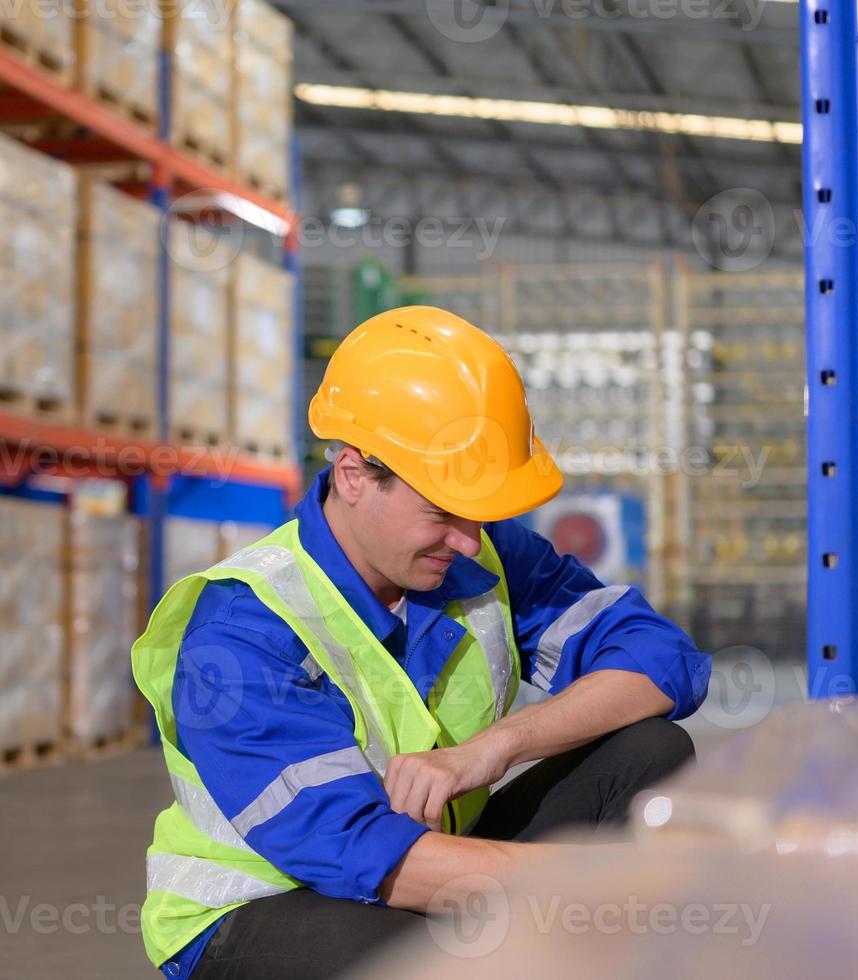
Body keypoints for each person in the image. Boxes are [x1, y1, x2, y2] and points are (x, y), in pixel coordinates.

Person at [131, 306, 711, 978]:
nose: (467, 540)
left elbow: (661, 661)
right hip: (264, 908)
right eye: (440, 511)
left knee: (649, 750)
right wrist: (598, 885)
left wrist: (490, 750)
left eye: (478, 514)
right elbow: (358, 851)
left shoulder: (479, 558)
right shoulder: (239, 633)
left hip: (426, 864)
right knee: (391, 958)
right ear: (352, 475)